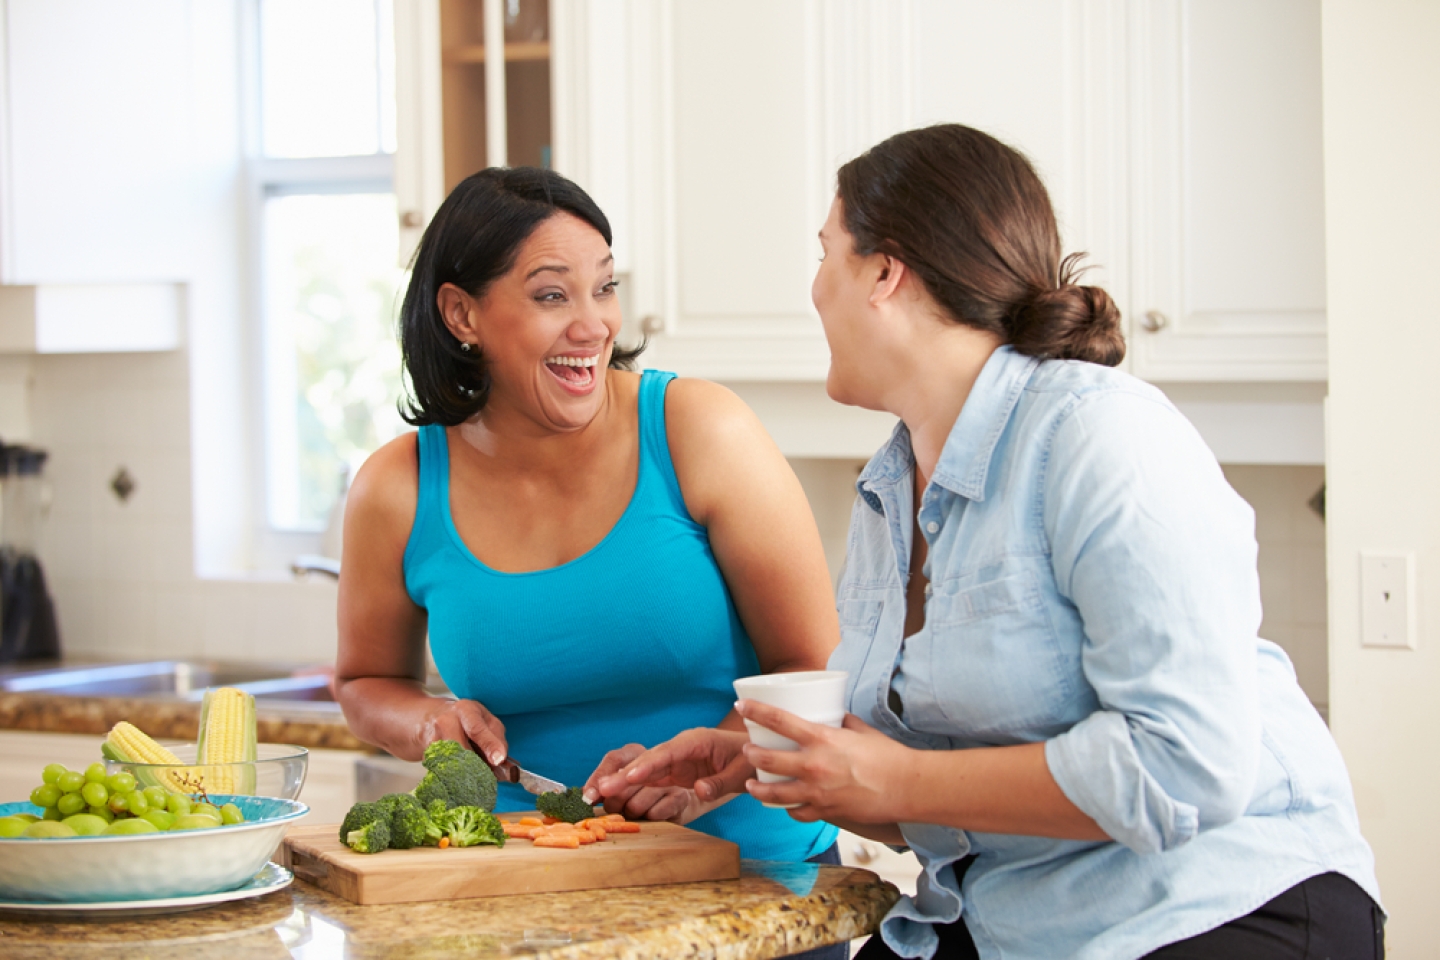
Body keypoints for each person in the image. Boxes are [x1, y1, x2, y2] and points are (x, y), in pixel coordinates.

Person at [596, 124, 1384, 960]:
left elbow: (1184, 766)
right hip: (1013, 921)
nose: (816, 288)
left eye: (826, 254)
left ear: (885, 273)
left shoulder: (1102, 436)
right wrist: (783, 765)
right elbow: (950, 801)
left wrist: (897, 778)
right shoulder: (888, 492)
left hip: (1215, 906)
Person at [332, 167, 844, 934]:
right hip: (523, 890)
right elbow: (366, 680)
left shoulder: (697, 430)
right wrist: (427, 724)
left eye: (603, 288)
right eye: (550, 295)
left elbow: (816, 670)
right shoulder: (396, 488)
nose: (593, 325)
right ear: (461, 312)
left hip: (750, 887)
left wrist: (712, 766)